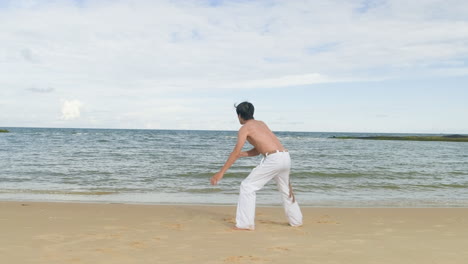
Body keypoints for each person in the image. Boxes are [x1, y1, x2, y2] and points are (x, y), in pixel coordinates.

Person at [210, 102, 303, 230]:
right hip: (285, 156)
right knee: (286, 190)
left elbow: (236, 151)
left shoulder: (244, 128)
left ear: (239, 115)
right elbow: (259, 149)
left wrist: (221, 172)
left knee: (247, 186)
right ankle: (296, 221)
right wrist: (241, 155)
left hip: (274, 159)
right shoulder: (261, 124)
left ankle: (245, 224)